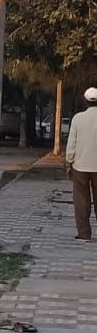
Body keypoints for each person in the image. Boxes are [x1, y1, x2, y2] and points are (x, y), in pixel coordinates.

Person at [66, 87, 97, 241]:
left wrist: (69, 162)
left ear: (85, 101)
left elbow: (72, 143)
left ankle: (84, 233)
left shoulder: (78, 118)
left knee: (81, 200)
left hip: (80, 166)